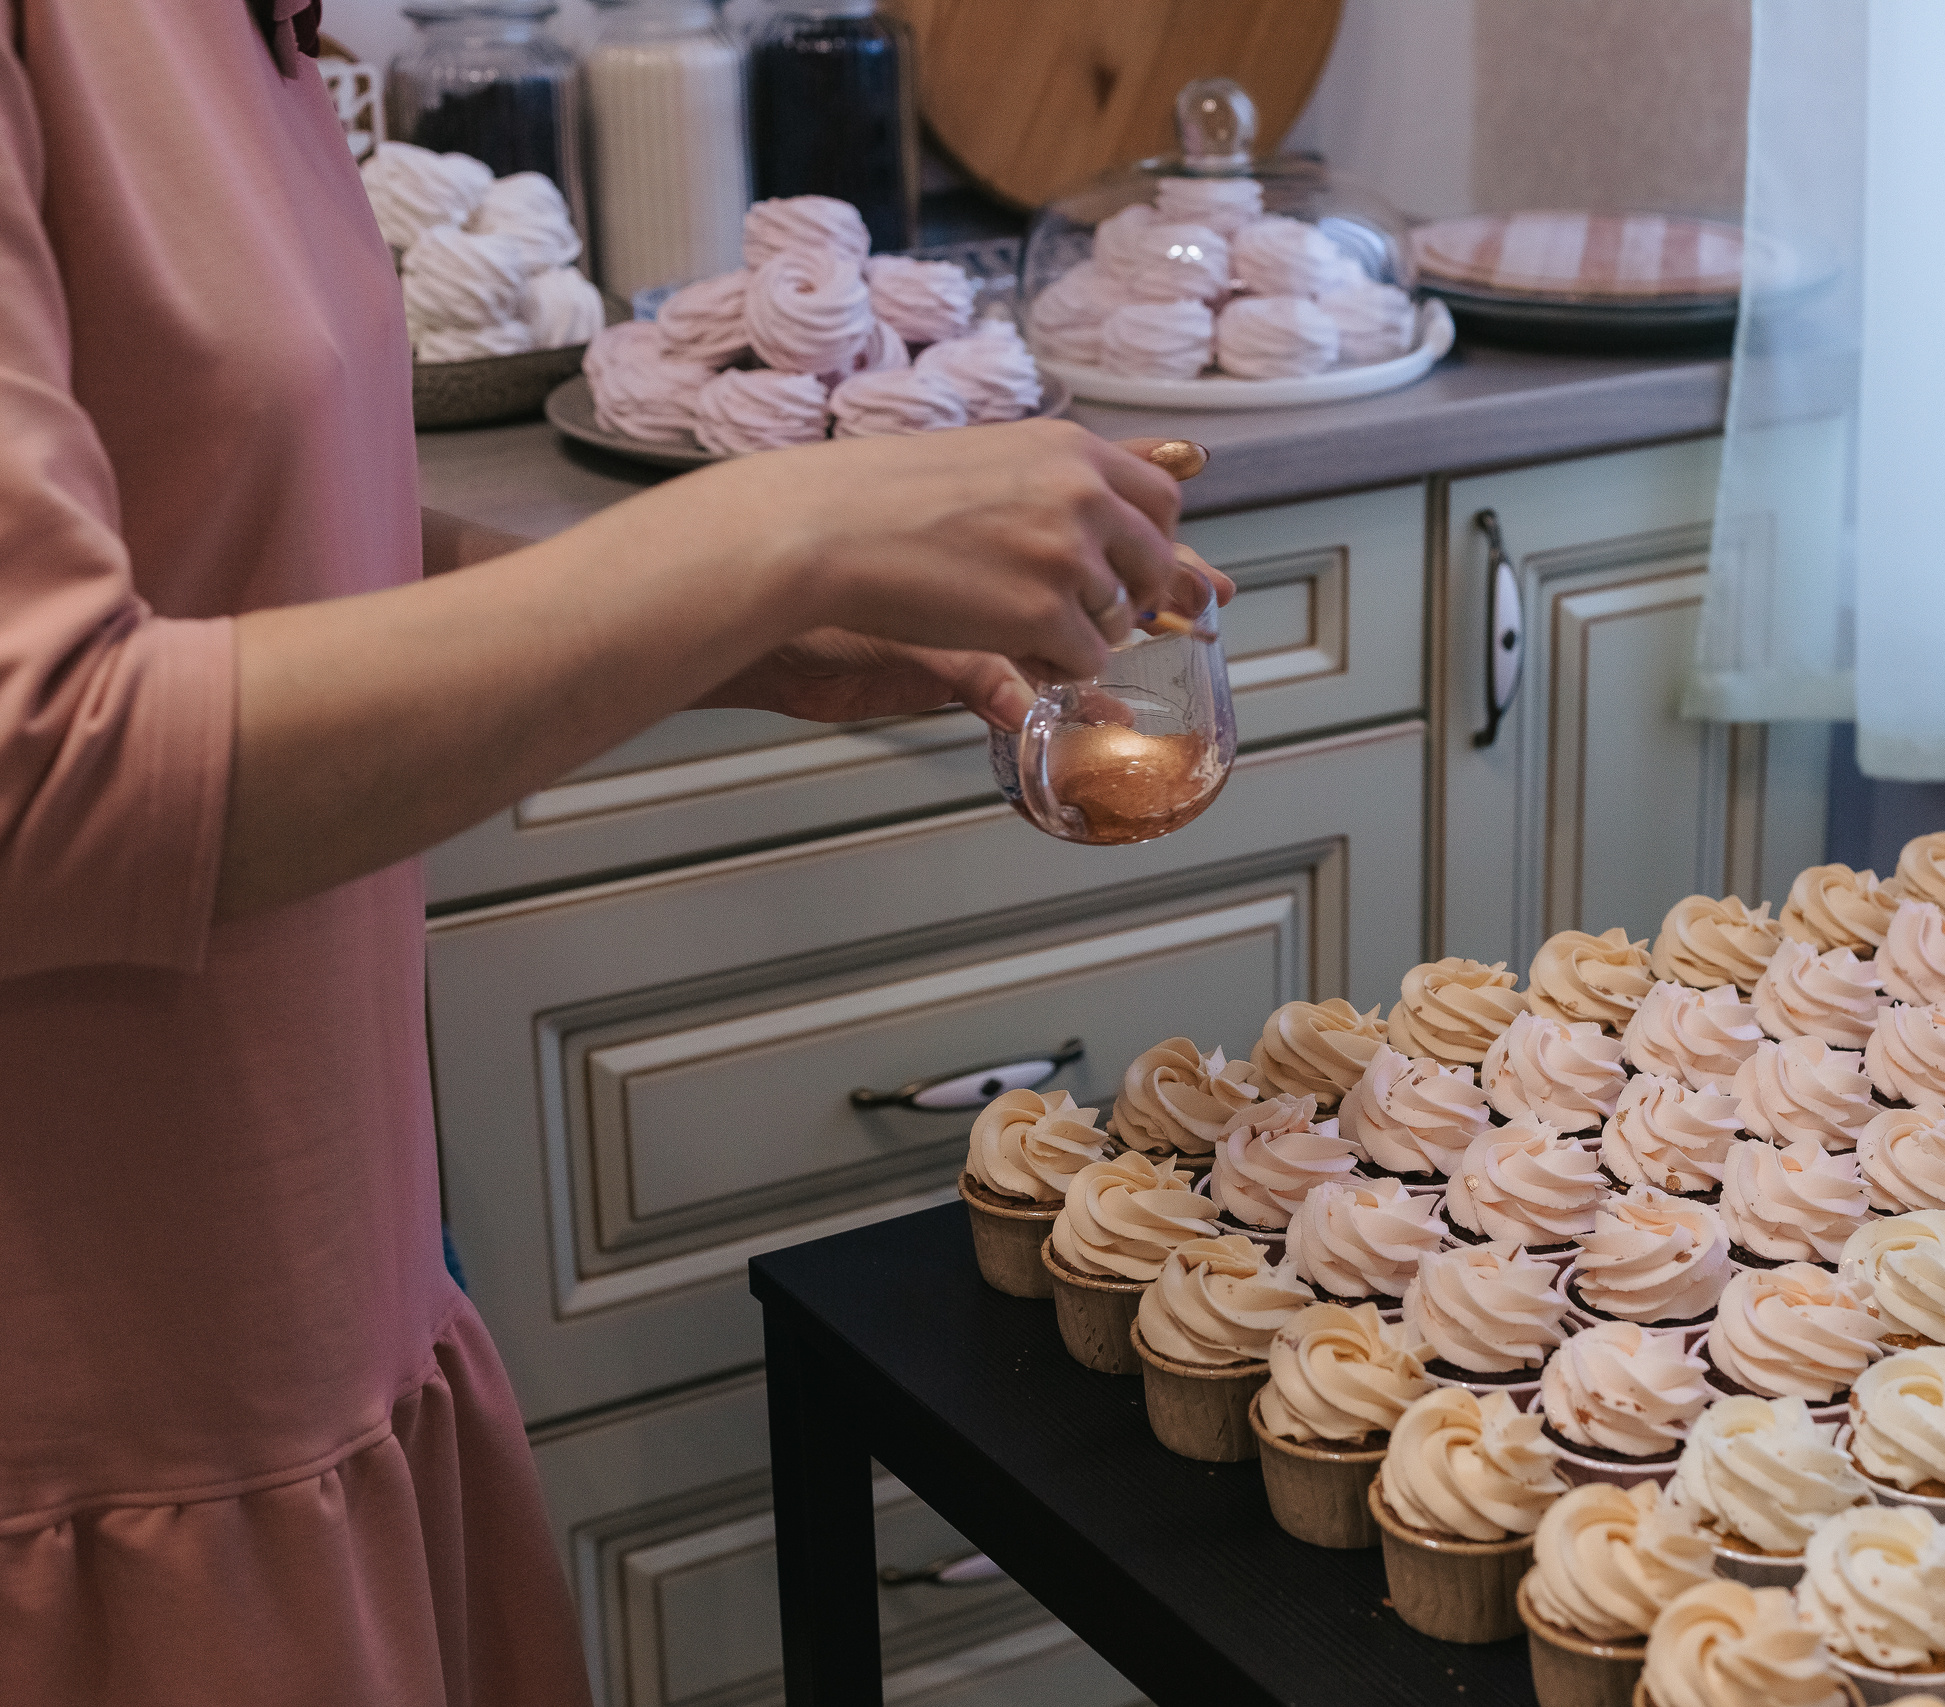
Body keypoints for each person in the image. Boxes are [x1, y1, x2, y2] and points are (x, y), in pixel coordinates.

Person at [0, 5, 1218, 1701]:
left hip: (329, 1297)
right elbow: (39, 761)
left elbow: (241, 520)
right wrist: (768, 537)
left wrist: (733, 628)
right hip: (109, 1432)